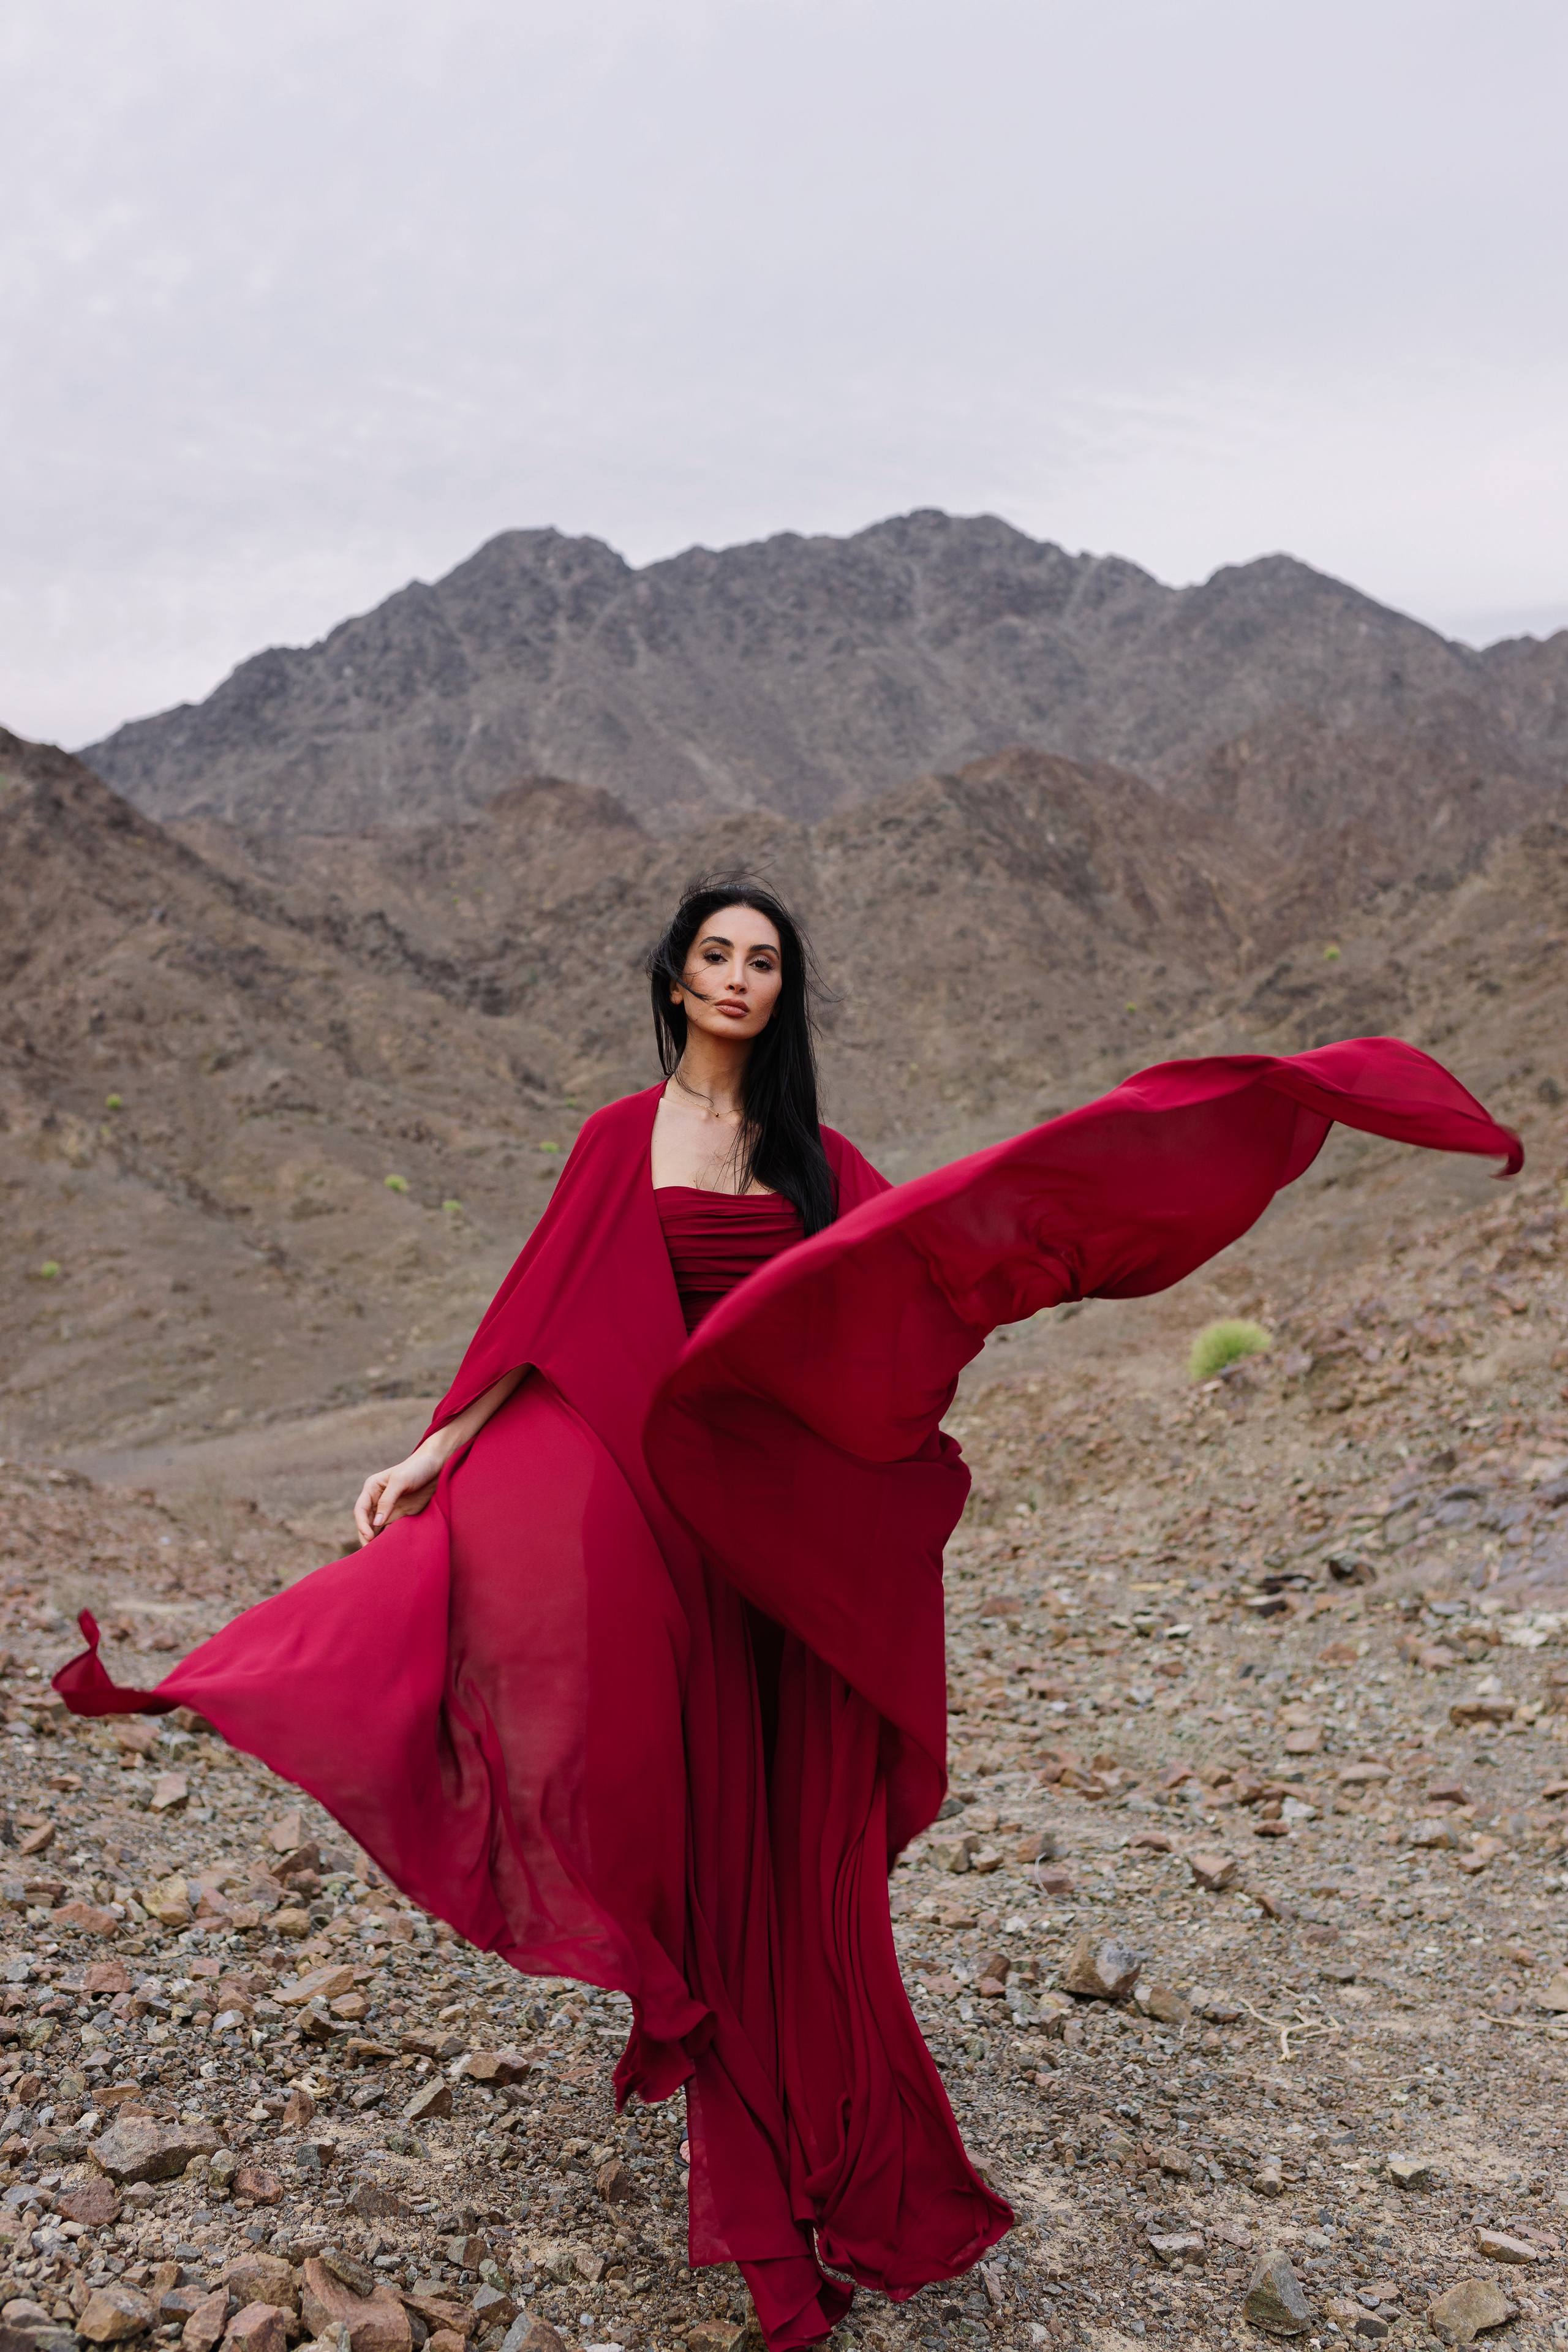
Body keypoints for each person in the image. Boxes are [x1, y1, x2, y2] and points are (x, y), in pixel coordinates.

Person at [54, 875, 1523, 2351]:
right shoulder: (616, 1140)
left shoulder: (821, 1160)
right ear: (675, 978)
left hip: (775, 1532)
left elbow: (924, 1275)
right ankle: (755, 2182)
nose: (738, 978)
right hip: (657, 1511)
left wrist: (1071, 1222)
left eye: (763, 961)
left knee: (786, 1849)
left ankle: (824, 2164)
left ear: (781, 991)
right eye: (716, 955)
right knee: (685, 1820)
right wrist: (438, 1448)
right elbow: (544, 1317)